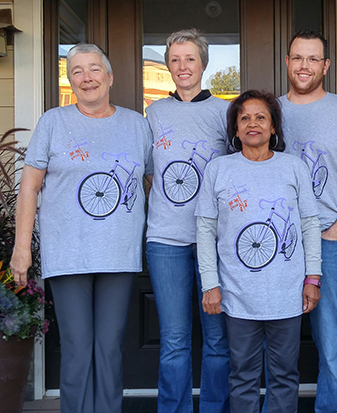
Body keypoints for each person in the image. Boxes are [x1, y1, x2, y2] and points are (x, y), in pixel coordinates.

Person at [10, 43, 153, 413]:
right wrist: (21, 248)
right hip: (68, 252)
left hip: (119, 253)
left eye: (93, 69)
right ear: (70, 80)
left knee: (109, 346)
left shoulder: (137, 124)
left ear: (109, 76)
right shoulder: (53, 122)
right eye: (76, 71)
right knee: (76, 345)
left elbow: (151, 183)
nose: (86, 77)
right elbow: (29, 186)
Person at [195, 90, 322, 413]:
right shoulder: (219, 170)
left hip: (287, 294)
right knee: (242, 377)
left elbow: (309, 225)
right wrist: (210, 284)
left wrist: (313, 278)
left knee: (284, 376)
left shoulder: (293, 168)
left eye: (261, 117)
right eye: (244, 118)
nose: (253, 124)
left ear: (274, 127)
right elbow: (205, 230)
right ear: (235, 130)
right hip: (238, 296)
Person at [278, 30, 337, 413]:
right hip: (278, 245)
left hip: (329, 242)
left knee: (331, 342)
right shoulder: (270, 111)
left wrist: (334, 235)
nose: (304, 66)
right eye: (298, 57)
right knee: (273, 344)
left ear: (326, 66)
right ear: (287, 61)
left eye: (313, 59)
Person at [145, 28, 230, 413]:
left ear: (203, 64)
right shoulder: (153, 113)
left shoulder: (225, 111)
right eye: (175, 59)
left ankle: (215, 408)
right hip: (165, 240)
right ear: (168, 65)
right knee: (174, 340)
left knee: (217, 339)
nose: (182, 66)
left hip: (215, 241)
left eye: (190, 58)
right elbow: (147, 172)